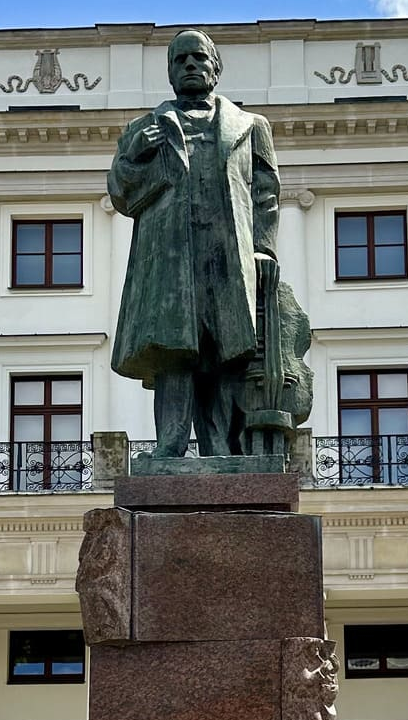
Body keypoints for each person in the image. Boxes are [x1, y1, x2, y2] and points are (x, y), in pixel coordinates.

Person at [107, 29, 280, 457]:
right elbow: (120, 192)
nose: (189, 65)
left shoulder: (251, 126)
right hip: (169, 257)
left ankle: (220, 448)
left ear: (215, 68)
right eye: (179, 59)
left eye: (198, 58)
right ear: (169, 72)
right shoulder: (141, 128)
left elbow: (266, 194)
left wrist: (264, 248)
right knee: (175, 354)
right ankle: (170, 445)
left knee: (225, 352)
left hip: (227, 253)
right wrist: (134, 158)